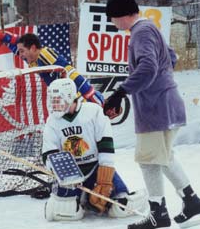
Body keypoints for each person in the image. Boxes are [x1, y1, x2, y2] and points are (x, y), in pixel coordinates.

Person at [104, 0, 200, 229]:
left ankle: (158, 213)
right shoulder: (150, 29)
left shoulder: (141, 32)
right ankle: (191, 201)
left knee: (148, 160)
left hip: (156, 109)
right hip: (168, 104)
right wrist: (159, 83)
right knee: (163, 156)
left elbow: (148, 66)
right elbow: (171, 57)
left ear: (121, 14)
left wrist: (121, 92)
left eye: (112, 18)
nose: (112, 23)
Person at [42, 78, 146, 221]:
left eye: (57, 99)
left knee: (120, 208)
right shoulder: (52, 121)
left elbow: (105, 143)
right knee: (65, 212)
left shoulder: (93, 111)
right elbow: (49, 153)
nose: (54, 104)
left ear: (70, 96)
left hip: (95, 168)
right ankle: (81, 197)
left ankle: (89, 195)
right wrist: (61, 172)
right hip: (70, 176)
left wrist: (105, 177)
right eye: (52, 99)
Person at [0, 31, 104, 106]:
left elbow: (69, 72)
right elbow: (18, 47)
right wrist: (7, 39)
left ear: (33, 48)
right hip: (67, 98)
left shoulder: (44, 54)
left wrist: (85, 96)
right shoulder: (33, 59)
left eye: (22, 51)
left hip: (79, 95)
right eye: (20, 51)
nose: (20, 55)